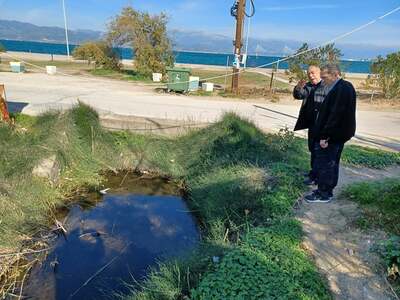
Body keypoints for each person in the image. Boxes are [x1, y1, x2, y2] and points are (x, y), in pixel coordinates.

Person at [305, 64, 357, 203]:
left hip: (333, 135)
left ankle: (324, 193)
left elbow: (336, 115)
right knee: (332, 163)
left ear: (335, 74)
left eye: (325, 77)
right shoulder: (343, 86)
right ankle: (326, 190)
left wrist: (325, 136)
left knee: (326, 164)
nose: (323, 80)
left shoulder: (341, 88)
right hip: (338, 134)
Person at [293, 65, 322, 185]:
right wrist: (298, 87)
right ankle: (313, 172)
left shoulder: (325, 86)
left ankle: (316, 176)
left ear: (319, 73)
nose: (311, 75)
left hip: (322, 124)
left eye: (313, 73)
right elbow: (298, 95)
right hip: (312, 124)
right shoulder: (309, 86)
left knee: (318, 150)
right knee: (312, 148)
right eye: (309, 73)